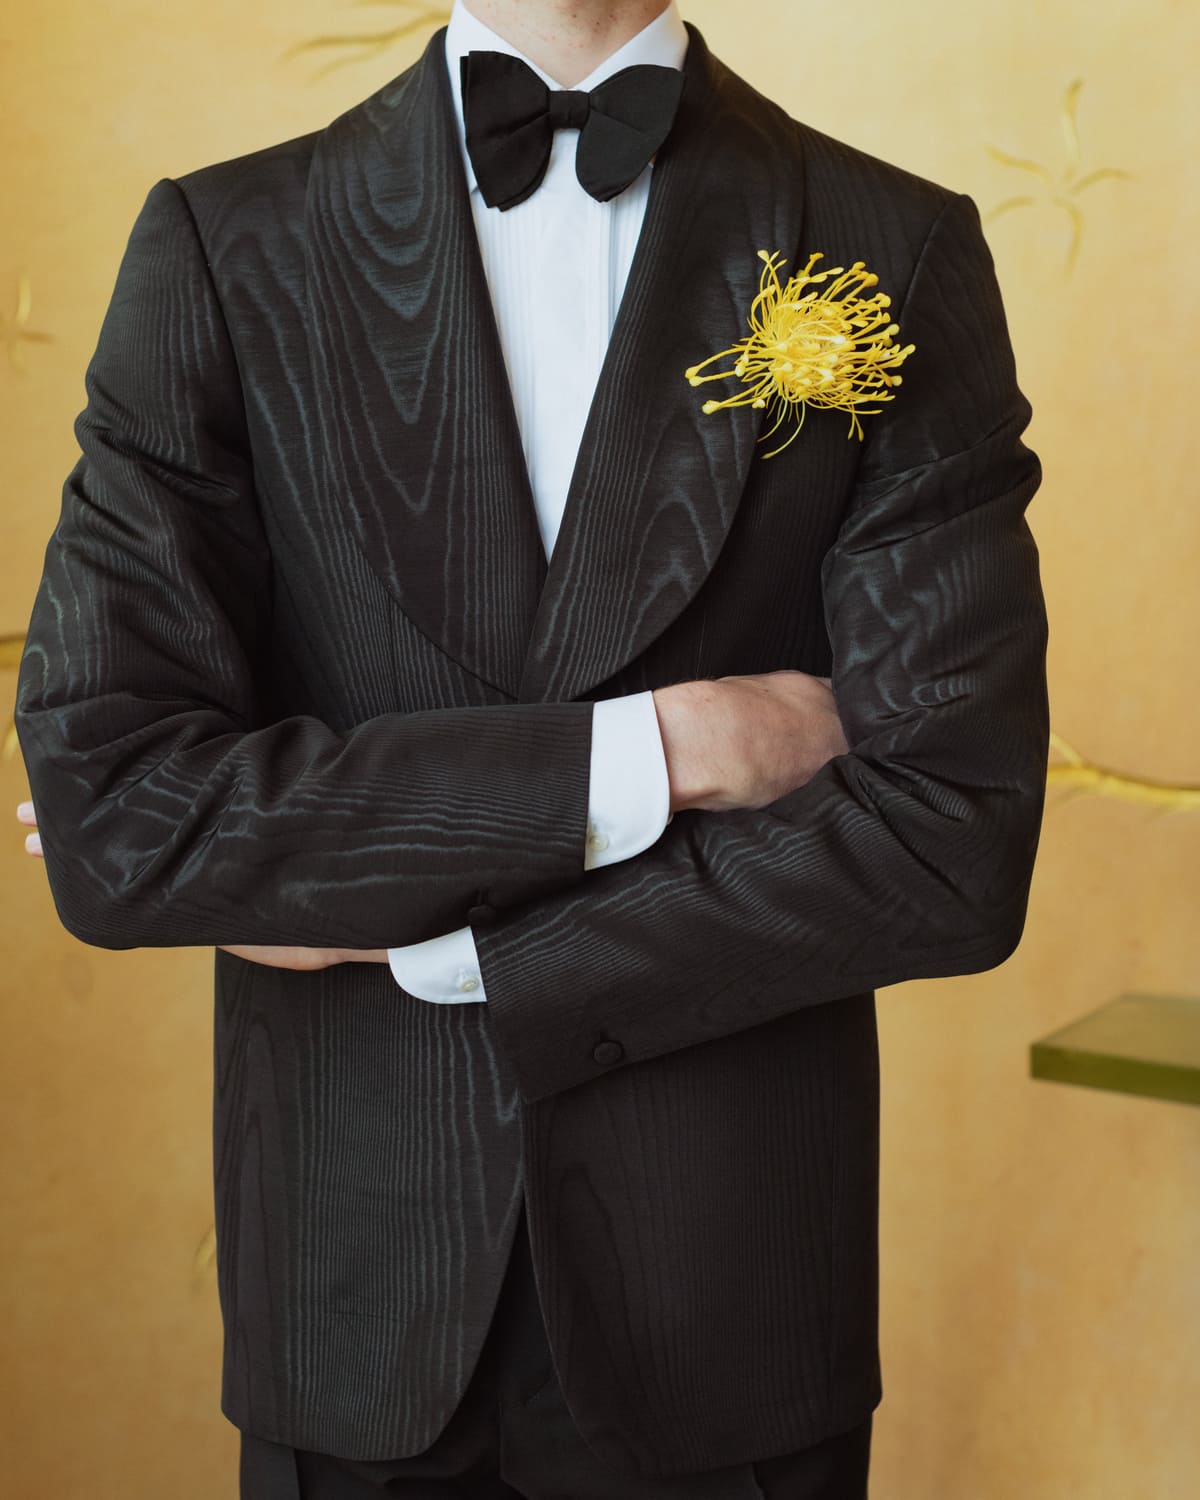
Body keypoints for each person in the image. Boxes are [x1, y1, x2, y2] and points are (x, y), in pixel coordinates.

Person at [13, 0, 1050, 1494]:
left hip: (732, 1314)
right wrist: (659, 751)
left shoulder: (894, 246)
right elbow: (118, 817)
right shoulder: (225, 245)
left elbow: (952, 838)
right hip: (354, 1306)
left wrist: (445, 945)